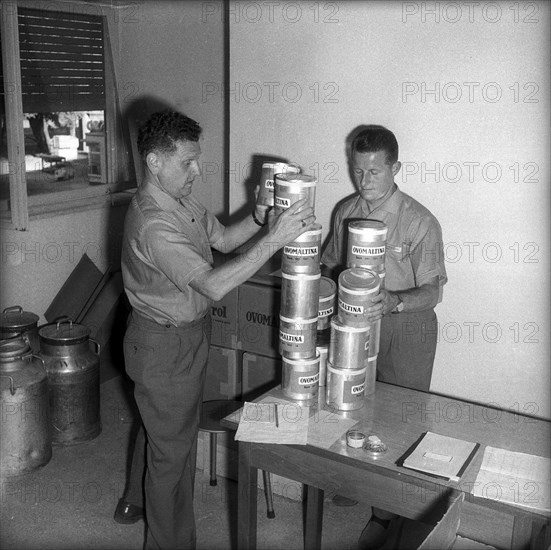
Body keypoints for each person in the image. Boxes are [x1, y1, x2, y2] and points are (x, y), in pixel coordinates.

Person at [117, 110, 315, 549]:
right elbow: (213, 283)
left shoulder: (179, 201)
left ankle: (132, 500)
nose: (197, 170)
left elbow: (224, 239)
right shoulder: (153, 222)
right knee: (174, 454)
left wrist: (261, 218)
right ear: (153, 161)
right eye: (187, 161)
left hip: (184, 335)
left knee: (164, 427)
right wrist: (275, 240)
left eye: (197, 159)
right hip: (162, 343)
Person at [321, 125, 447, 550]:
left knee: (403, 421)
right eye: (358, 171)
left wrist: (393, 300)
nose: (365, 180)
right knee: (357, 409)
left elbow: (434, 291)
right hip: (358, 323)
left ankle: (399, 518)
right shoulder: (345, 212)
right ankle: (370, 496)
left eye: (375, 171)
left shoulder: (418, 220)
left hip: (406, 326)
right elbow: (331, 267)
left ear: (395, 167)